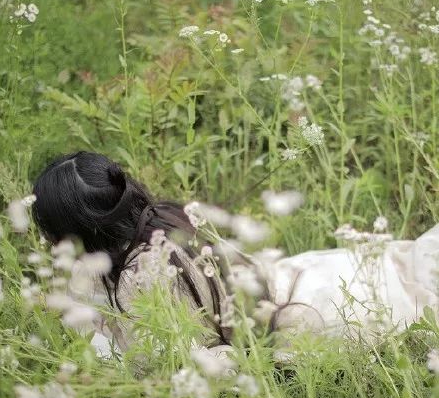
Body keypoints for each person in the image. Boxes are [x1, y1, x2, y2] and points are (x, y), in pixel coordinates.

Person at [32, 151, 439, 357]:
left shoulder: (141, 279)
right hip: (292, 278)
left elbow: (175, 366)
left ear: (79, 234)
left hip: (305, 317)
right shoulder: (159, 217)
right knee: (410, 265)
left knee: (418, 292)